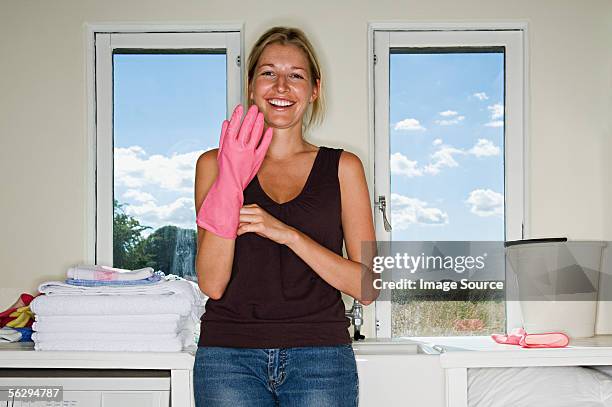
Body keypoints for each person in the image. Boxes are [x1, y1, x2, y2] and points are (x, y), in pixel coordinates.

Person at [193, 26, 378, 407]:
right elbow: (212, 283)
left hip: (320, 357)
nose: (280, 86)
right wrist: (231, 179)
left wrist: (286, 233)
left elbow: (367, 286)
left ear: (314, 90)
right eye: (268, 73)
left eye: (295, 75)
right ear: (251, 85)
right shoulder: (213, 165)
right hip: (228, 355)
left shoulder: (343, 168)